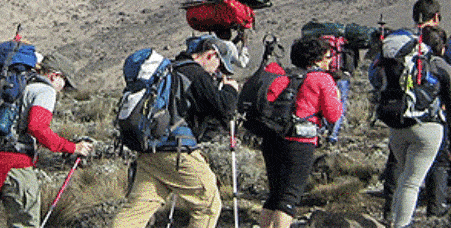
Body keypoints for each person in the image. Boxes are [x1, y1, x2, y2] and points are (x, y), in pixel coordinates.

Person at [0, 54, 93, 228]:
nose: (62, 88)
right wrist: (72, 147)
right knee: (25, 222)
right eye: (64, 82)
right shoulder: (44, 90)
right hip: (15, 165)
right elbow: (37, 127)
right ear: (54, 75)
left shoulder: (11, 85)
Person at [111, 35, 239, 228]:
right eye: (220, 66)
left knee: (135, 212)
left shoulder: (171, 70)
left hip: (150, 153)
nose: (218, 73)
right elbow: (224, 108)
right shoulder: (195, 73)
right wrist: (230, 90)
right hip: (176, 153)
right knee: (209, 205)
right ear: (211, 55)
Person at [380, 0, 451, 216]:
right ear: (436, 17)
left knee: (397, 164)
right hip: (432, 116)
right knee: (436, 165)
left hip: (400, 112)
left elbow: (377, 76)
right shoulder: (440, 43)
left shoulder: (401, 42)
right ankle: (435, 210)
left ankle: (389, 210)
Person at [257, 36, 343, 228]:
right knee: (289, 197)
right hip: (299, 143)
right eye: (327, 57)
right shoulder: (322, 79)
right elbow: (333, 115)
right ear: (316, 59)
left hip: (272, 139)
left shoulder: (283, 76)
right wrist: (337, 97)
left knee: (275, 194)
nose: (330, 61)